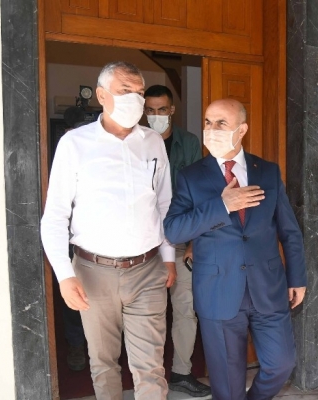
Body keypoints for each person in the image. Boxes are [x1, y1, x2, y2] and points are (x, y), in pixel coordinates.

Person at [41, 61, 176, 399]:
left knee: (151, 366)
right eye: (125, 91)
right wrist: (64, 275)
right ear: (102, 96)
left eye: (139, 92)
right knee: (103, 363)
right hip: (93, 271)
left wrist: (169, 258)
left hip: (147, 269)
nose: (135, 99)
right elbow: (55, 215)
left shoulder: (153, 142)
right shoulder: (75, 143)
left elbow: (164, 204)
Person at [163, 99, 307, 400]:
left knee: (281, 364)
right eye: (208, 122)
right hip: (218, 291)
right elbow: (174, 230)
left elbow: (289, 230)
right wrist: (222, 206)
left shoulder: (266, 171)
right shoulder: (191, 176)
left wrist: (297, 278)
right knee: (227, 384)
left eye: (221, 123)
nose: (211, 129)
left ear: (241, 130)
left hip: (268, 287)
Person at [143, 85, 210, 397]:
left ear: (171, 110)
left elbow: (199, 193)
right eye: (150, 110)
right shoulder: (136, 142)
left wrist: (195, 242)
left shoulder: (189, 143)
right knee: (149, 312)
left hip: (180, 238)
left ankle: (181, 372)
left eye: (161, 109)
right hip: (145, 243)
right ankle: (148, 376)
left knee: (185, 308)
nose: (156, 115)